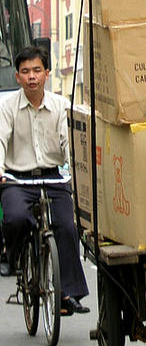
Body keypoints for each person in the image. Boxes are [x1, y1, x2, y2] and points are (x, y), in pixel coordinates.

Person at [0, 45, 90, 315]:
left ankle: (67, 294)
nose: (31, 76)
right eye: (25, 71)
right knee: (15, 217)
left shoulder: (61, 106)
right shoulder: (7, 108)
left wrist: (75, 171)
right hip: (17, 179)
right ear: (17, 76)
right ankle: (14, 255)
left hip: (52, 178)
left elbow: (69, 144)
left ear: (47, 74)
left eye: (37, 70)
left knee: (67, 225)